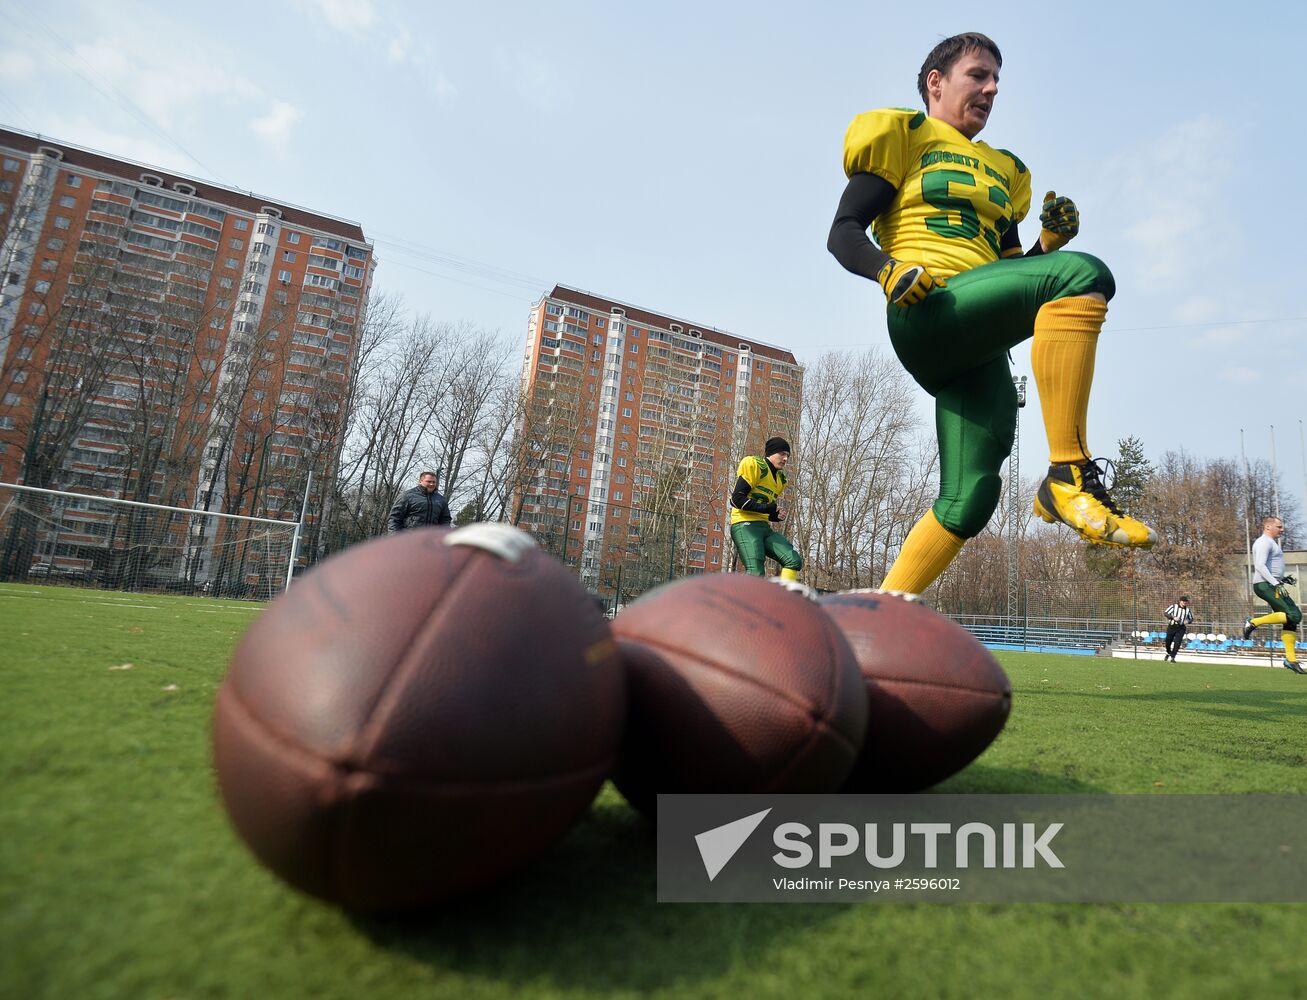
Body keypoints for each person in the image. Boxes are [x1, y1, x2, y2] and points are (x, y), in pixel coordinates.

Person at [827, 32, 1156, 596]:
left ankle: (882, 612)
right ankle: (1068, 474)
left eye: (996, 80)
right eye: (978, 75)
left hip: (977, 340)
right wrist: (887, 271)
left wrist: (1047, 245)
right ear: (936, 81)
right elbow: (843, 232)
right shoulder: (903, 133)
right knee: (1086, 274)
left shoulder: (1005, 169)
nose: (992, 88)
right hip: (929, 307)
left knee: (969, 499)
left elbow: (1013, 273)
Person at [729, 436, 802, 580]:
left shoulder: (780, 479)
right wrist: (767, 508)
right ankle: (750, 602)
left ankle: (782, 598)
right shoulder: (756, 465)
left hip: (763, 527)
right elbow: (736, 500)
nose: (785, 458)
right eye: (782, 454)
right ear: (771, 452)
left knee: (793, 560)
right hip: (744, 525)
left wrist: (773, 515)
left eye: (787, 455)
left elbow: (763, 508)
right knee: (756, 572)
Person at [1242, 515, 1304, 674]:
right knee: (1294, 615)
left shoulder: (1270, 543)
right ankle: (1253, 622)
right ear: (1268, 527)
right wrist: (1276, 582)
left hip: (1272, 584)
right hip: (1266, 585)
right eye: (1279, 526)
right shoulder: (1264, 542)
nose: (1282, 530)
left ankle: (1291, 660)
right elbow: (1260, 566)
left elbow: (1269, 566)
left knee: (1290, 621)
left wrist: (1281, 579)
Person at [387, 470, 452, 533]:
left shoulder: (441, 499)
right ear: (420, 481)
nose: (432, 484)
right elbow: (394, 519)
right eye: (428, 481)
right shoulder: (407, 496)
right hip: (409, 538)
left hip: (431, 540)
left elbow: (445, 520)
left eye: (434, 482)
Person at [1162, 595, 1193, 662]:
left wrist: (1187, 621)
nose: (1184, 603)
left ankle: (1173, 657)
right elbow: (1165, 613)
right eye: (1183, 601)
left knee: (1177, 642)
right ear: (1180, 601)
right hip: (1172, 626)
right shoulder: (1174, 607)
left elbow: (1191, 619)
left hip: (1181, 628)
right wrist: (1173, 617)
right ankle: (1168, 652)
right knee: (1168, 641)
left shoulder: (1187, 610)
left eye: (1186, 602)